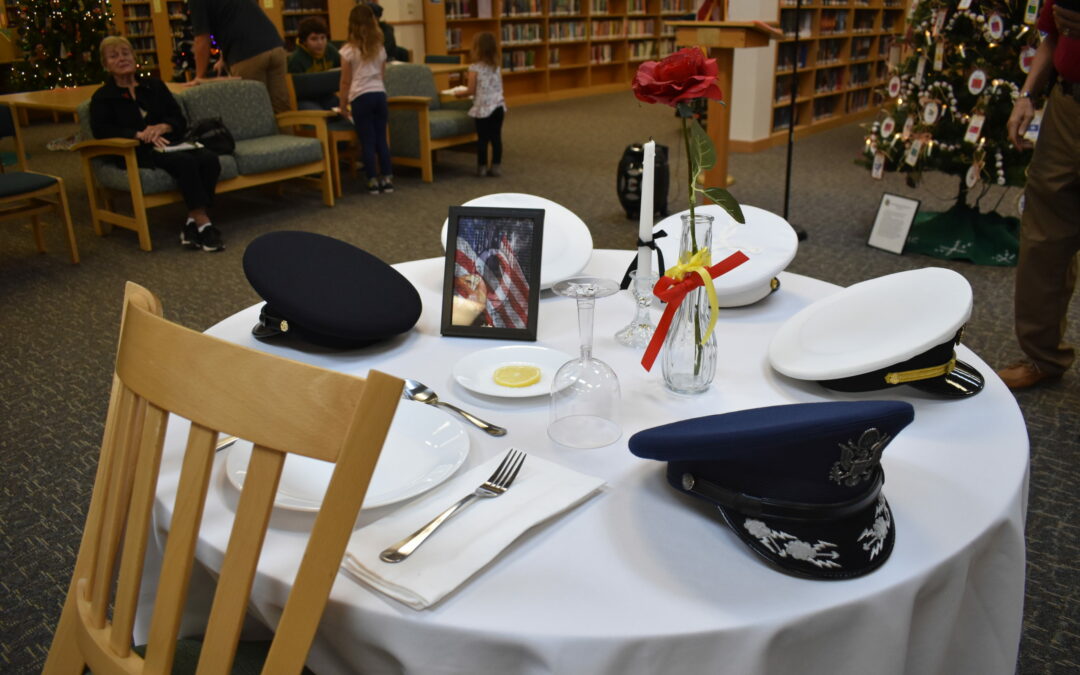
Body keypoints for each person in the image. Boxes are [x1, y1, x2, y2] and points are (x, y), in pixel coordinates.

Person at [1000, 0, 1080, 390]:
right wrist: (1027, 95)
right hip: (1068, 106)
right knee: (1044, 237)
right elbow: (1052, 34)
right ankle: (1043, 355)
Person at [90, 36, 224, 252]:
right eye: (114, 56)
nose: (122, 59)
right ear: (106, 65)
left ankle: (191, 222)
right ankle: (203, 222)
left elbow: (178, 118)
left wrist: (163, 127)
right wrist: (138, 133)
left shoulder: (154, 86)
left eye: (126, 53)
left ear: (134, 58)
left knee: (209, 159)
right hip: (137, 151)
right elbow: (101, 130)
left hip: (170, 143)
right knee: (185, 163)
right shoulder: (103, 97)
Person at [189, 0, 290, 114]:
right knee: (282, 111)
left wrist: (199, 77)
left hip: (247, 54)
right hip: (275, 47)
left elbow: (202, 39)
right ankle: (286, 132)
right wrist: (223, 57)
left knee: (254, 111)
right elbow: (236, 18)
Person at [339, 3, 394, 194]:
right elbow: (382, 74)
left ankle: (372, 180)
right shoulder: (379, 48)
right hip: (379, 95)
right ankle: (387, 178)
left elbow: (346, 81)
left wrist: (342, 104)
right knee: (381, 138)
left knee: (367, 140)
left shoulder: (348, 50)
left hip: (360, 97)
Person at [457, 32, 505, 177]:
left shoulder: (474, 68)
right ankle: (496, 166)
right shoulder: (497, 67)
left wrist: (459, 93)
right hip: (498, 106)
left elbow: (471, 90)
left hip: (483, 108)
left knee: (482, 139)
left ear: (477, 49)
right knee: (496, 138)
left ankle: (482, 167)